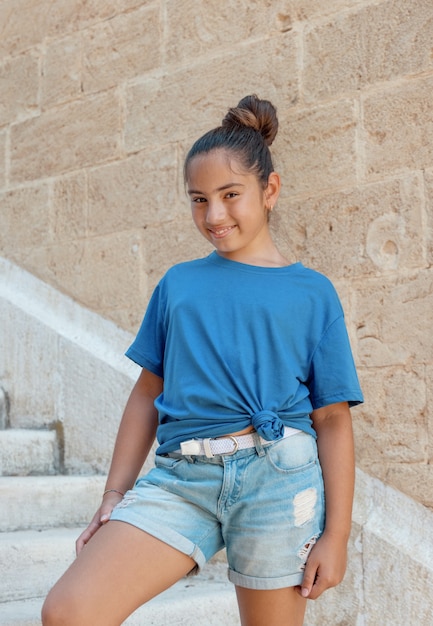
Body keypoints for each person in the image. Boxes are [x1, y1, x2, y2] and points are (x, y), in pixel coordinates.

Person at [42, 94, 363, 626]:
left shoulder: (313, 294)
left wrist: (338, 535)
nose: (214, 215)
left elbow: (332, 417)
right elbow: (147, 392)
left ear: (271, 190)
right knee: (69, 611)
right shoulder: (178, 285)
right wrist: (115, 493)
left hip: (278, 481)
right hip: (180, 480)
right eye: (198, 199)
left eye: (230, 194)